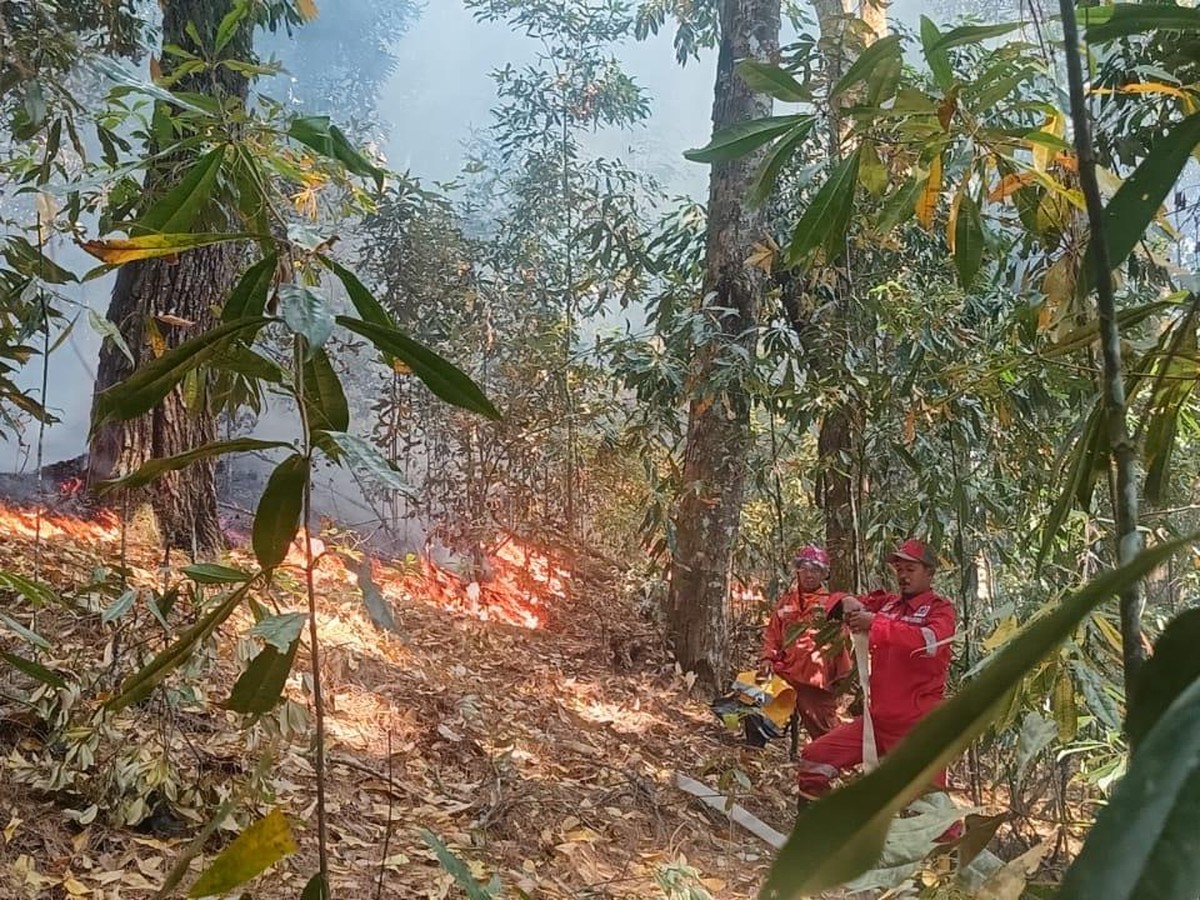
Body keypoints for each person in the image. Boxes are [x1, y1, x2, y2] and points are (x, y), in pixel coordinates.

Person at [796, 538, 956, 805]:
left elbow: (930, 642)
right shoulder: (889, 604)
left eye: (910, 569)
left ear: (929, 573)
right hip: (877, 723)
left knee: (932, 810)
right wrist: (845, 601)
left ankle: (949, 847)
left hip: (918, 729)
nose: (903, 576)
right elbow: (837, 602)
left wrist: (876, 625)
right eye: (899, 570)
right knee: (815, 759)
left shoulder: (941, 610)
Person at [759, 545, 852, 740]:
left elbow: (840, 644)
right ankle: (752, 753)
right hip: (784, 672)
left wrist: (839, 679)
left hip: (815, 681)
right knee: (752, 703)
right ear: (798, 571)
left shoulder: (831, 604)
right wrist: (767, 658)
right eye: (805, 569)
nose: (809, 575)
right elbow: (772, 633)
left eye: (815, 570)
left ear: (824, 574)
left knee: (824, 732)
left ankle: (834, 765)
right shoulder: (786, 601)